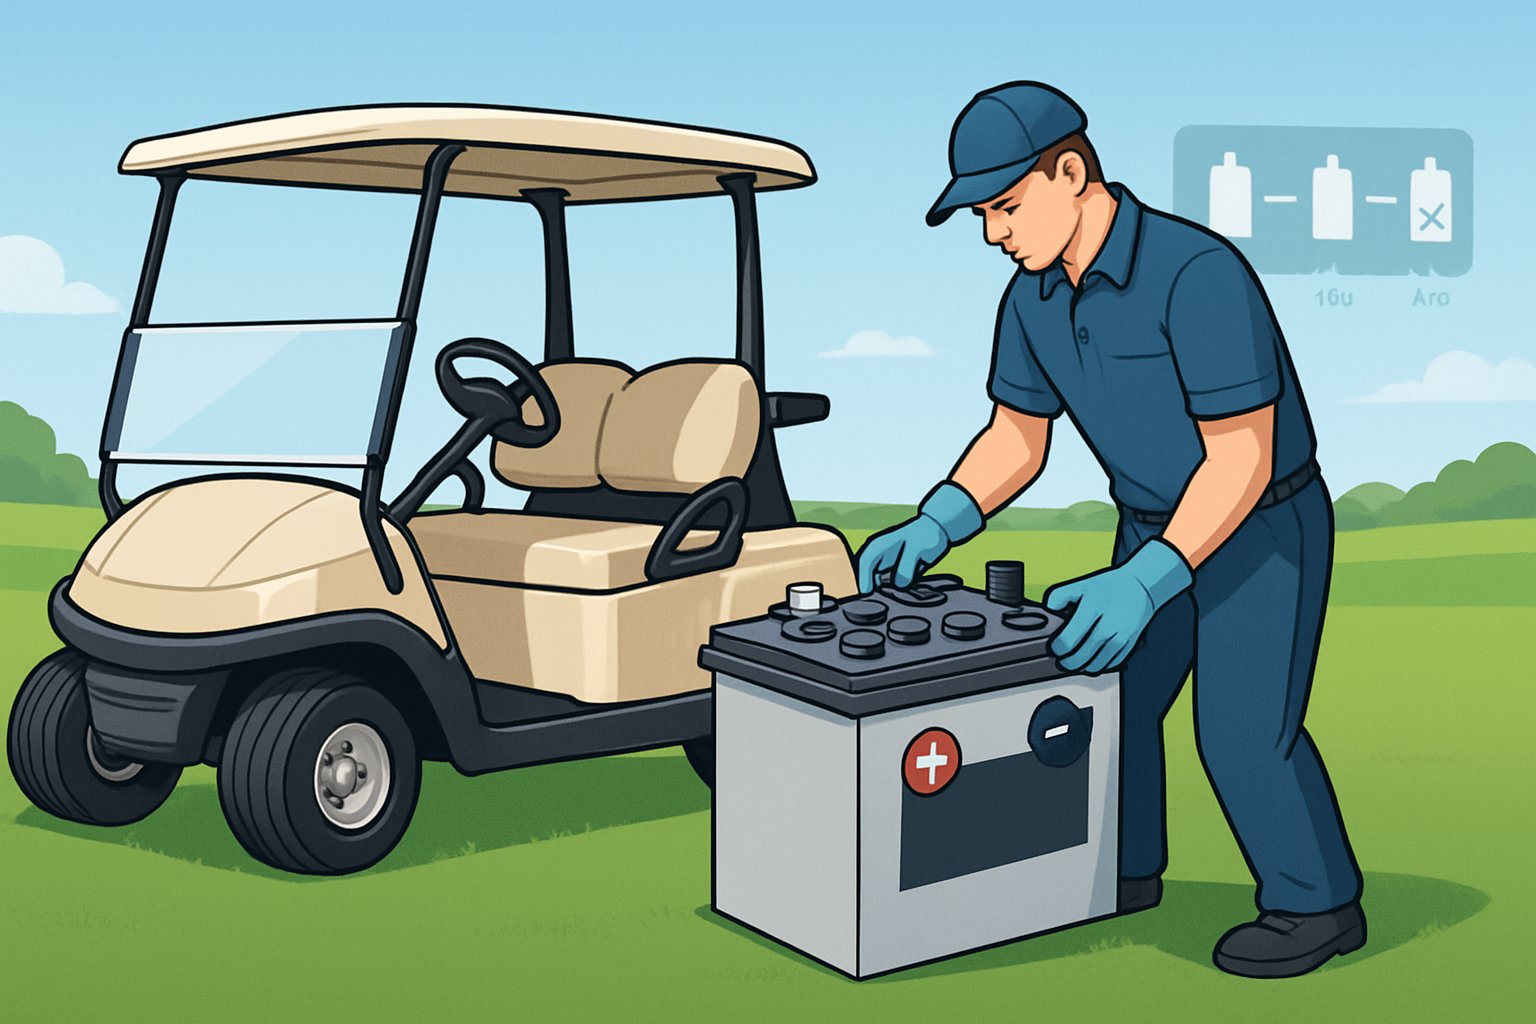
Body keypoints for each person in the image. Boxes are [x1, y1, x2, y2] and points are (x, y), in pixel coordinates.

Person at [856, 81, 1365, 979]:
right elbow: (1018, 437)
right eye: (982, 213)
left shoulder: (1197, 273)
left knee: (1242, 732)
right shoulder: (1030, 302)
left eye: (1006, 207)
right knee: (1114, 701)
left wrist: (1151, 578)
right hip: (1148, 527)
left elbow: (1241, 457)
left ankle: (1313, 905)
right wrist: (939, 521)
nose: (993, 234)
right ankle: (1121, 874)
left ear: (1071, 171)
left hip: (1264, 527)